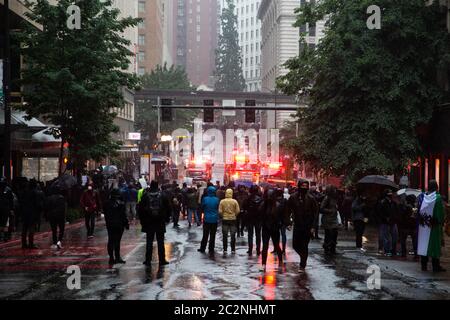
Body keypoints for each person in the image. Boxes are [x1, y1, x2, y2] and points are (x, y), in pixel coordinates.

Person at [287, 180, 318, 272]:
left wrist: (313, 226)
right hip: (298, 224)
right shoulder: (293, 197)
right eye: (302, 185)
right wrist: (288, 222)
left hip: (307, 225)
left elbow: (315, 213)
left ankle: (302, 264)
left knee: (304, 245)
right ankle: (303, 256)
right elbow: (288, 210)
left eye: (306, 186)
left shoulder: (311, 198)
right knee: (295, 245)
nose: (304, 187)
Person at [139, 180, 171, 267]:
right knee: (160, 241)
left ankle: (148, 260)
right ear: (157, 186)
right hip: (160, 221)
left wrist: (142, 221)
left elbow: (140, 209)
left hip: (149, 222)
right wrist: (167, 218)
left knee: (149, 241)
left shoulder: (145, 195)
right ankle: (162, 259)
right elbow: (168, 207)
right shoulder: (163, 195)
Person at [417, 180, 446, 272]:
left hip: (423, 225)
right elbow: (440, 214)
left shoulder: (422, 196)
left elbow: (418, 210)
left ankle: (424, 265)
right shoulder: (438, 198)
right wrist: (442, 221)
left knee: (424, 244)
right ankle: (435, 266)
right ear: (436, 187)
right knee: (435, 246)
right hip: (434, 226)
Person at [260, 189, 287, 271]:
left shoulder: (277, 205)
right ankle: (264, 264)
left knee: (276, 246)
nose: (269, 198)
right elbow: (260, 214)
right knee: (265, 246)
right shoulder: (264, 205)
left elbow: (282, 216)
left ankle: (280, 261)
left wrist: (281, 224)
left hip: (274, 228)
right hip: (266, 228)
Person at [104, 188, 129, 265]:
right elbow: (123, 215)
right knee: (117, 241)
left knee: (111, 240)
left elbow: (105, 214)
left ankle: (111, 258)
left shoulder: (106, 203)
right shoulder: (121, 203)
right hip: (119, 225)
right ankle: (117, 257)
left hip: (110, 225)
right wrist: (126, 224)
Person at [21, 179, 43, 249]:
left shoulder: (24, 192)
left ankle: (24, 244)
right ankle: (31, 244)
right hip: (33, 213)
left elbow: (21, 202)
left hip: (24, 213)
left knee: (24, 229)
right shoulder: (36, 193)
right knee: (31, 229)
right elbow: (38, 204)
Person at [198, 186, 220, 255]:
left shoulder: (205, 199)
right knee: (212, 235)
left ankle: (202, 248)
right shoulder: (217, 199)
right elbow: (218, 208)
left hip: (206, 219)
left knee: (205, 234)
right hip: (214, 219)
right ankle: (211, 248)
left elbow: (202, 207)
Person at [219, 188, 240, 255]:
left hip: (225, 219)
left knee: (225, 235)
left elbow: (220, 211)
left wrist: (223, 216)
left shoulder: (222, 201)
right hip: (233, 220)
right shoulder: (234, 201)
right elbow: (238, 211)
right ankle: (233, 249)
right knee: (233, 235)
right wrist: (234, 215)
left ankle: (225, 249)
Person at [378, 189, 399, 257]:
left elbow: (396, 211)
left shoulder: (393, 203)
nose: (390, 196)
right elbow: (380, 213)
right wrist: (385, 218)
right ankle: (387, 250)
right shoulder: (383, 203)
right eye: (389, 195)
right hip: (385, 222)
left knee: (394, 237)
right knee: (386, 238)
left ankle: (393, 250)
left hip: (392, 222)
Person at [243, 185, 263, 256]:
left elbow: (244, 208)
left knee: (250, 235)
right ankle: (258, 250)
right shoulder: (261, 199)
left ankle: (250, 249)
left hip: (250, 219)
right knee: (258, 235)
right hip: (258, 219)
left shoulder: (248, 199)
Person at [321, 185, 340, 255]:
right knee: (328, 234)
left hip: (334, 218)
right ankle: (327, 248)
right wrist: (330, 210)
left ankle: (332, 248)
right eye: (334, 190)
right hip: (327, 219)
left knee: (335, 233)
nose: (335, 191)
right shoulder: (327, 198)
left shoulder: (334, 198)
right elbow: (321, 208)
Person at [0, 178, 15, 243]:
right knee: (5, 223)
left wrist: (11, 209)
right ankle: (5, 236)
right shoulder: (8, 189)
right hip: (6, 209)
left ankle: (4, 236)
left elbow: (11, 201)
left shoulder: (8, 190)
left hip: (6, 209)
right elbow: (11, 201)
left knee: (5, 223)